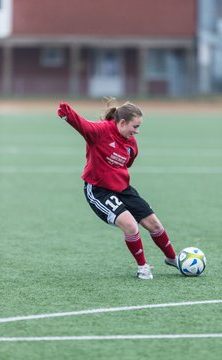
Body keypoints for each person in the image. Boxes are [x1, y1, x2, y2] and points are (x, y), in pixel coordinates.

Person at [57, 98, 178, 280]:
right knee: (130, 225)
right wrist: (67, 114)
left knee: (154, 224)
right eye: (134, 127)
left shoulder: (132, 145)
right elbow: (83, 126)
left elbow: (128, 162)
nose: (137, 131)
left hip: (123, 188)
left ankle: (172, 258)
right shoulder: (101, 131)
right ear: (122, 122)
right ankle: (142, 267)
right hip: (99, 190)